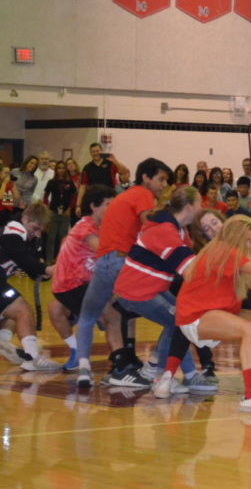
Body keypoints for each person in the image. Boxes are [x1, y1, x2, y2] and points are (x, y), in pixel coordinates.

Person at [173, 215, 251, 414]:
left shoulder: (230, 252)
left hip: (215, 312)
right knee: (248, 329)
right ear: (237, 237)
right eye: (249, 240)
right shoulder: (225, 251)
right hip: (196, 316)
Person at [75, 158, 172, 388]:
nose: (163, 184)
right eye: (161, 179)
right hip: (120, 263)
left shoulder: (126, 195)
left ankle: (84, 370)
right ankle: (157, 368)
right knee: (177, 315)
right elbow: (150, 225)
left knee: (89, 316)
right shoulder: (142, 194)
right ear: (146, 178)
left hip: (104, 264)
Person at [113, 186, 216, 395]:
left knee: (181, 319)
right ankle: (157, 371)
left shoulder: (176, 228)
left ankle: (176, 373)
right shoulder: (164, 230)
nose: (201, 208)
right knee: (180, 321)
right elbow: (190, 270)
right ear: (188, 207)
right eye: (199, 204)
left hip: (149, 288)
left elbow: (195, 258)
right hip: (136, 291)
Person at [49, 185, 117, 371]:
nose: (112, 209)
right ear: (94, 206)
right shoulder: (86, 226)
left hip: (76, 285)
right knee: (112, 317)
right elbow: (105, 253)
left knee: (55, 309)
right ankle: (120, 363)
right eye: (108, 204)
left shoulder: (96, 225)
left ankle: (80, 350)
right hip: (74, 285)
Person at [0, 203, 61, 370]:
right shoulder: (14, 229)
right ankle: (32, 358)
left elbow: (33, 270)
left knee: (11, 315)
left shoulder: (30, 238)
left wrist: (45, 271)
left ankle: (3, 343)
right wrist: (46, 268)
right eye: (34, 228)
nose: (36, 234)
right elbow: (21, 257)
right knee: (23, 311)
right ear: (25, 219)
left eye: (40, 230)